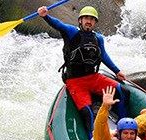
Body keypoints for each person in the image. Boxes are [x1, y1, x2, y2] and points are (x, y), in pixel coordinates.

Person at [38, 5, 128, 133]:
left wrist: (117, 71)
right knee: (87, 112)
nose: (89, 21)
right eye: (86, 18)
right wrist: (45, 16)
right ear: (80, 20)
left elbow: (103, 56)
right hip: (75, 82)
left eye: (92, 19)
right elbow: (59, 25)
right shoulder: (71, 32)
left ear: (95, 23)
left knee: (120, 90)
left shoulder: (98, 38)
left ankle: (124, 127)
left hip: (94, 78)